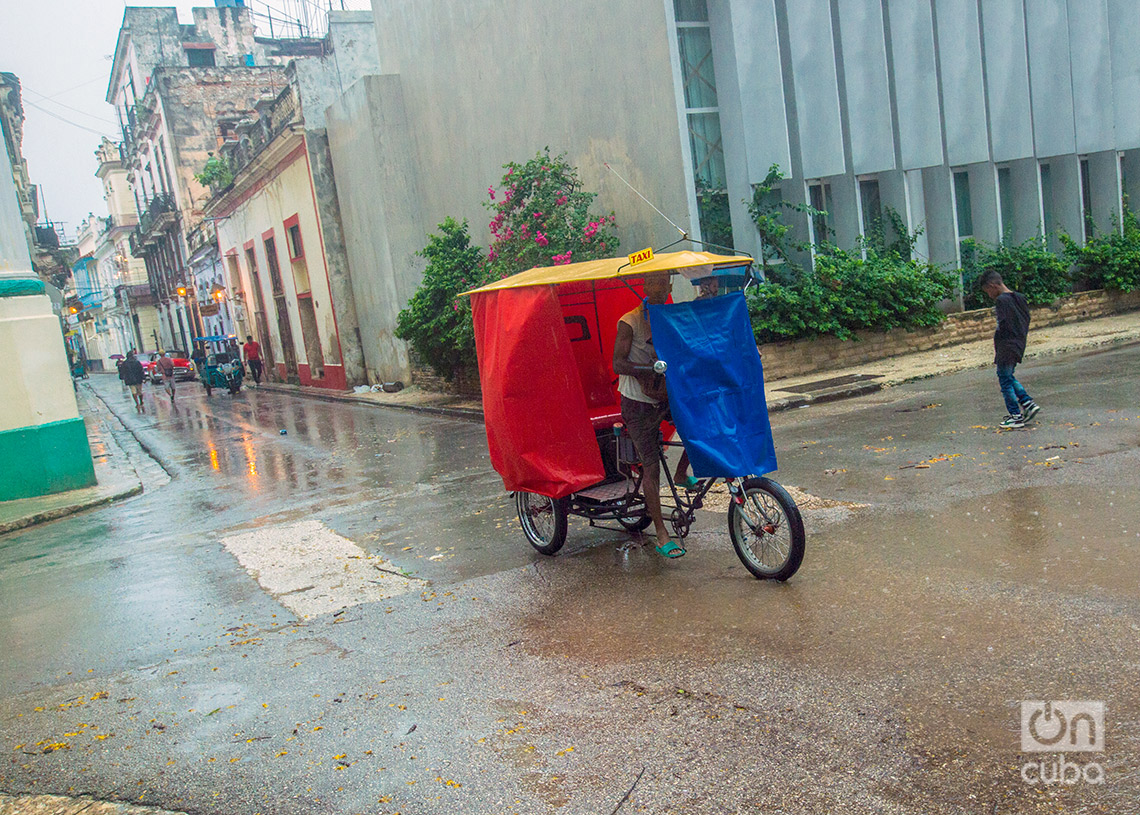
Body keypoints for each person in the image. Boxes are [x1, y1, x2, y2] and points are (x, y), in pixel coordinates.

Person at [612, 272, 685, 559]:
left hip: (664, 397)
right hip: (637, 403)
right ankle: (661, 533)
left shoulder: (670, 315)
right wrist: (649, 371)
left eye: (662, 283)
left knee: (698, 428)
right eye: (651, 283)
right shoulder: (629, 322)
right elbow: (618, 363)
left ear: (669, 286)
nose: (656, 288)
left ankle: (681, 474)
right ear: (643, 286)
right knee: (651, 466)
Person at [980, 270, 1040, 429]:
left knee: (1005, 381)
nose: (989, 295)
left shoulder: (1002, 301)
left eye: (988, 291)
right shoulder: (1019, 297)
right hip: (1019, 343)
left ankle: (1016, 416)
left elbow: (1003, 325)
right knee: (1007, 376)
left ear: (992, 286)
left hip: (1006, 345)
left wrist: (999, 343)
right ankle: (1028, 403)